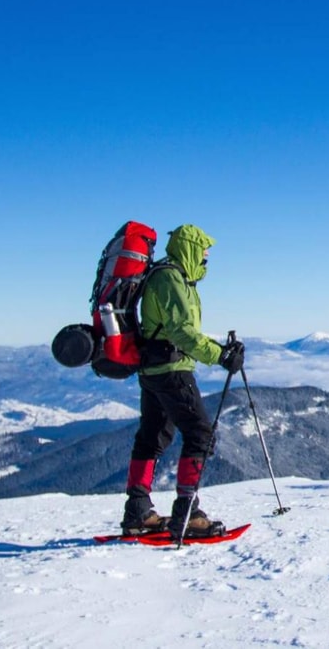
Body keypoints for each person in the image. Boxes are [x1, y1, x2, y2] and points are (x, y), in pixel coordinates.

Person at [119, 224, 245, 538]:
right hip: (171, 370)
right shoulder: (170, 278)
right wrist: (220, 356)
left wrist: (219, 349)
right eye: (203, 249)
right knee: (200, 434)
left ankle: (138, 511)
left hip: (154, 369)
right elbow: (180, 331)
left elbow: (175, 327)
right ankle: (187, 513)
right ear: (189, 247)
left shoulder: (172, 277)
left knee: (152, 437)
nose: (207, 255)